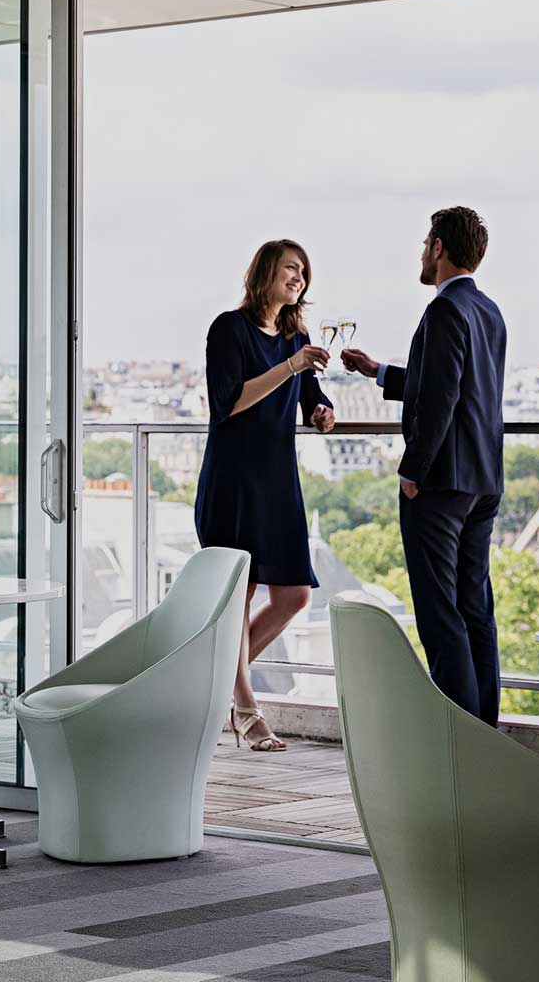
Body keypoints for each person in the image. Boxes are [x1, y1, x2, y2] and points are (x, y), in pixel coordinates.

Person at [341, 207, 507, 725]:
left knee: (440, 616)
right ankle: (485, 731)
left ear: (438, 247)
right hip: (482, 481)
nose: (420, 253)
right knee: (475, 609)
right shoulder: (489, 311)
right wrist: (379, 372)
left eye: (423, 244)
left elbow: (440, 397)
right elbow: (453, 382)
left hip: (439, 483)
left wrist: (411, 470)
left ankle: (457, 736)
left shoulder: (442, 312)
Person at [195, 238, 337, 752]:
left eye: (304, 270)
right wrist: (293, 367)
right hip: (233, 480)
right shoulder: (228, 329)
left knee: (295, 595)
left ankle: (215, 687)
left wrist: (321, 412)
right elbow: (227, 403)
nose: (299, 277)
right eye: (290, 268)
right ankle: (248, 710)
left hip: (278, 482)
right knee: (239, 597)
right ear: (265, 273)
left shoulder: (294, 337)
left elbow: (310, 397)